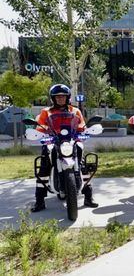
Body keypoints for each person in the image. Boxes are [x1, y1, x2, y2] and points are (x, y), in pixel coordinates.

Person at [31, 84, 97, 212]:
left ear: (67, 97)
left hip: (71, 141)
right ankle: (39, 201)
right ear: (53, 98)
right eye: (57, 97)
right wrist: (39, 133)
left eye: (63, 96)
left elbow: (81, 126)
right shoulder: (46, 111)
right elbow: (40, 128)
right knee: (44, 167)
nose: (60, 99)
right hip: (53, 141)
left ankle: (88, 197)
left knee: (82, 164)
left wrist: (85, 131)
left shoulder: (75, 111)